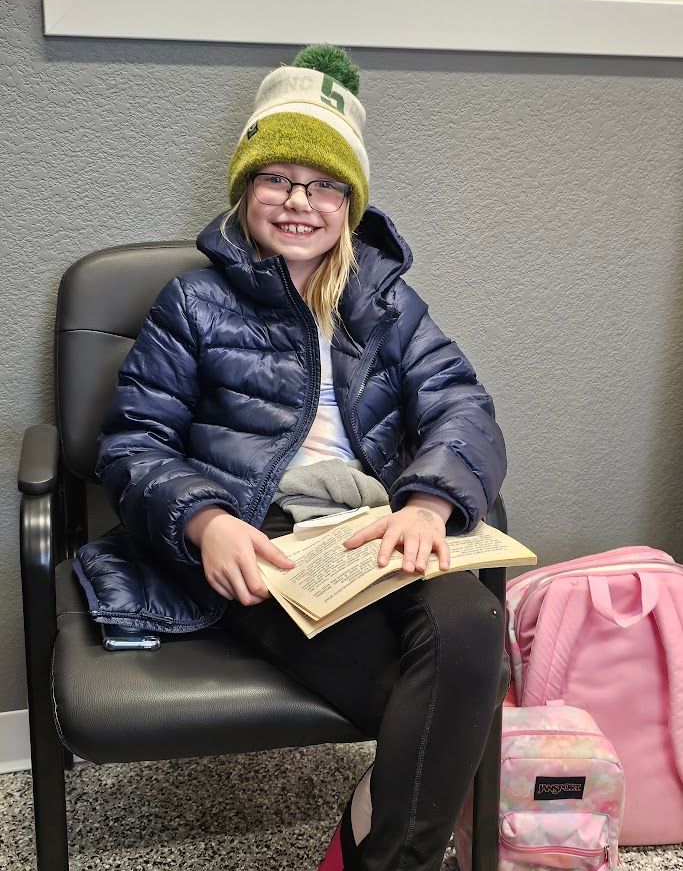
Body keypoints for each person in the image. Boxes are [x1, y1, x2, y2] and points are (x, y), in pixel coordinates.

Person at [83, 44, 509, 871]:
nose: (298, 201)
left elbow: (462, 405)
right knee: (435, 704)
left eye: (323, 184)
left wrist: (426, 504)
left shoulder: (384, 303)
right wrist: (205, 522)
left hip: (373, 528)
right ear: (246, 188)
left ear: (350, 203)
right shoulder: (193, 302)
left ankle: (375, 845)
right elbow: (133, 441)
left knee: (472, 628)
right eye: (276, 178)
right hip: (261, 538)